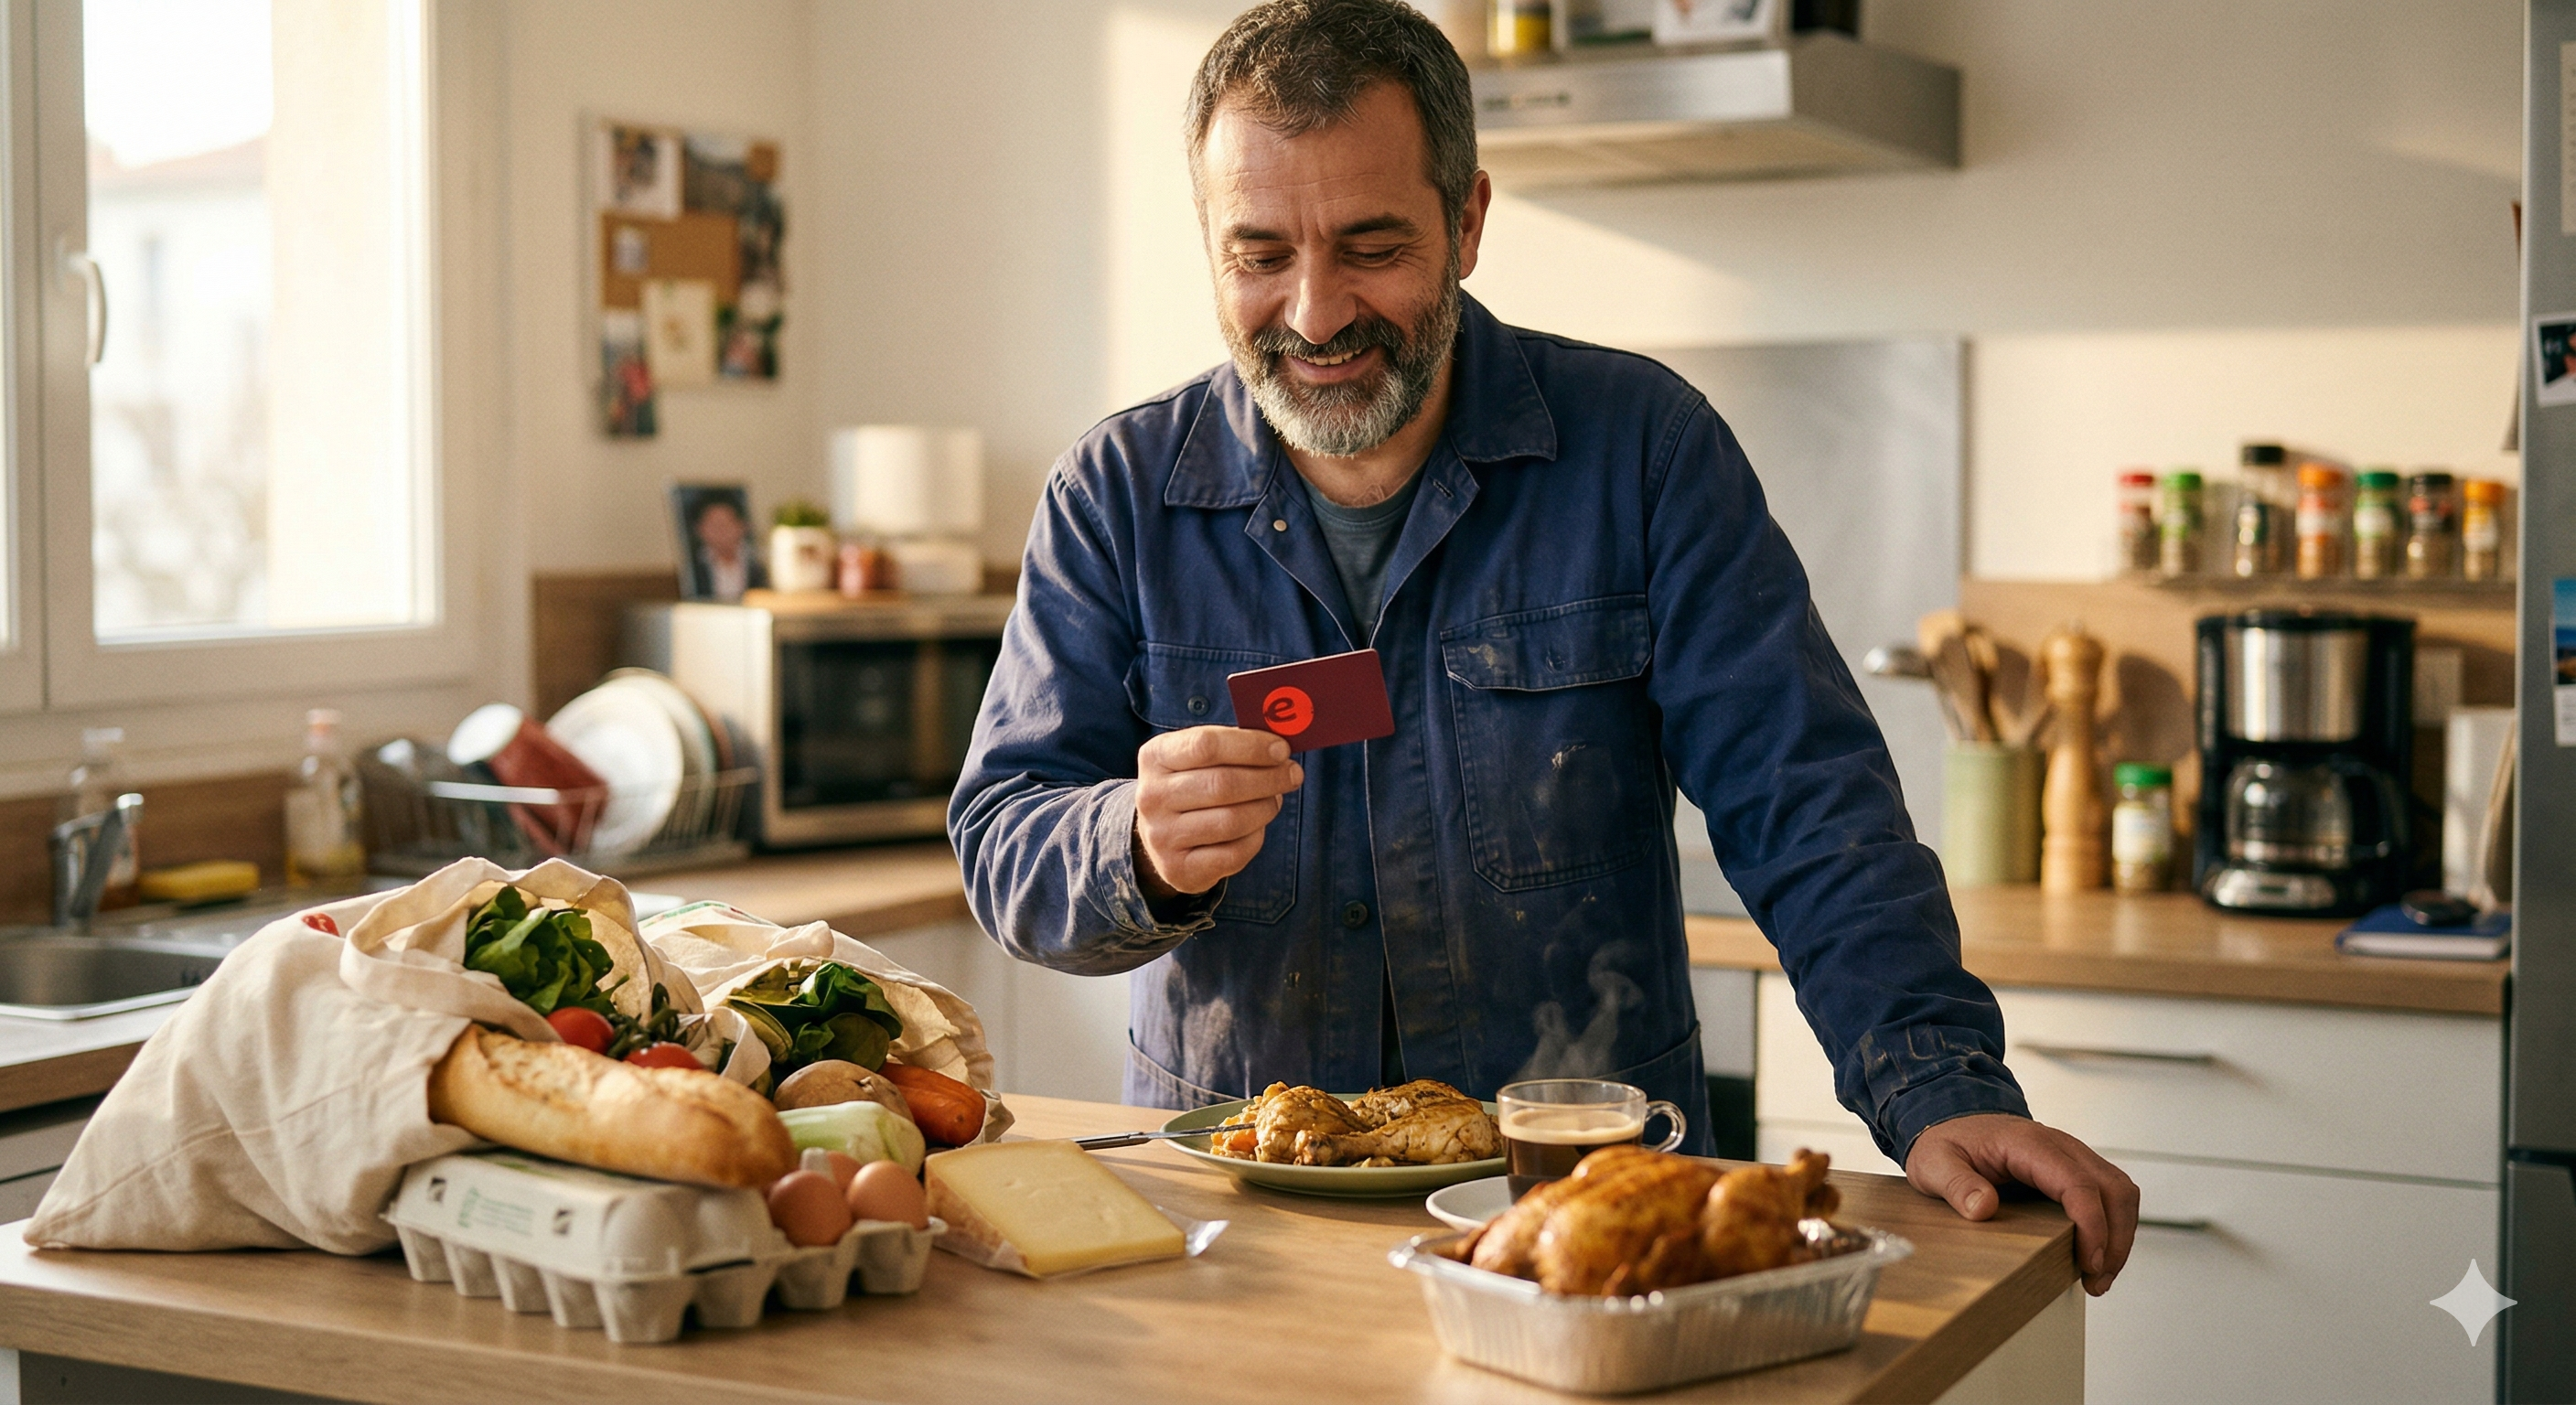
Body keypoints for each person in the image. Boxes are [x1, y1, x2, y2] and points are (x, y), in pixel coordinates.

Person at [948, 0, 2139, 1293]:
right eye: (1259, 254)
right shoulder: (1114, 495)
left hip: (1593, 1222)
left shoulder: (1644, 453)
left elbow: (1809, 805)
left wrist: (1936, 1085)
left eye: (1371, 245)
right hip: (1244, 1233)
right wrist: (1130, 846)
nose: (1315, 310)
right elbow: (1005, 836)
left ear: (1467, 222)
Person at [683, 495, 766, 602]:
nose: (721, 530)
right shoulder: (691, 567)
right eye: (713, 524)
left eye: (726, 523)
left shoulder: (761, 562)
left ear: (743, 526)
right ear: (699, 529)